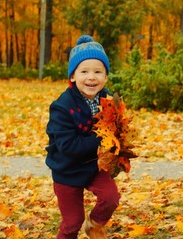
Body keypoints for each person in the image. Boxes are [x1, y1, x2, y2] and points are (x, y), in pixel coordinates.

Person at [45, 35, 120, 239]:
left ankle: (94, 224)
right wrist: (103, 138)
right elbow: (68, 146)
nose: (91, 77)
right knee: (72, 222)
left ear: (105, 76)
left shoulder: (108, 99)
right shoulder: (62, 106)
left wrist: (118, 141)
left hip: (93, 165)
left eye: (98, 71)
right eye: (84, 71)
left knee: (111, 197)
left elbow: (117, 127)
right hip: (67, 169)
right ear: (72, 76)